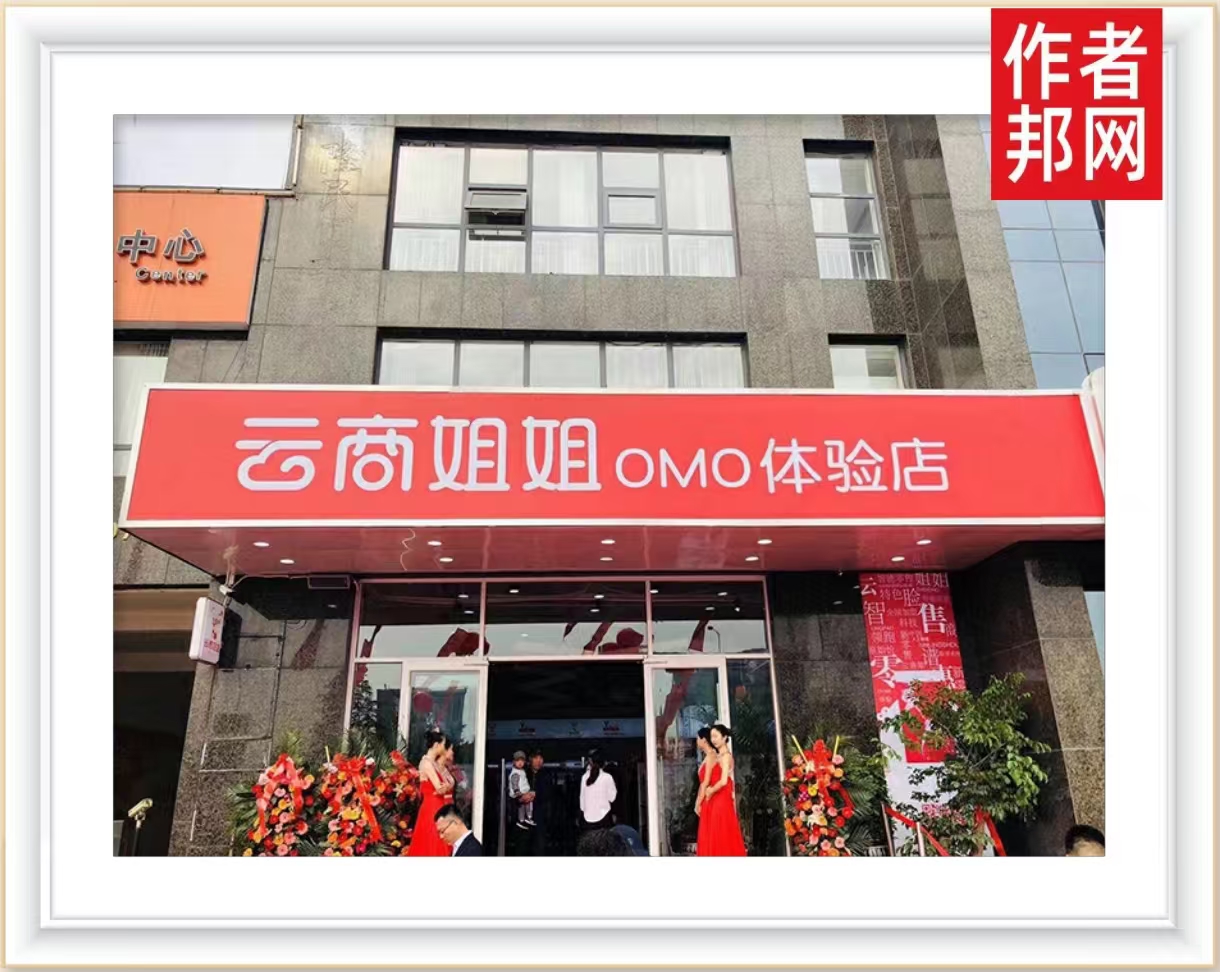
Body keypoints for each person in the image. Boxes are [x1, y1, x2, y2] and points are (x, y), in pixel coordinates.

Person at [696, 723, 747, 856]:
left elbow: (723, 781)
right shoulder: (718, 756)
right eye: (712, 736)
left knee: (721, 834)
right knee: (717, 835)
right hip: (715, 799)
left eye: (716, 736)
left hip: (720, 799)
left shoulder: (725, 756)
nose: (713, 740)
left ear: (724, 738)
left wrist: (711, 790)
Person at [407, 729, 456, 857]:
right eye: (443, 744)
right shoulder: (426, 763)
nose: (444, 747)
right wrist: (447, 786)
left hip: (438, 806)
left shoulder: (434, 764)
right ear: (436, 745)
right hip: (432, 808)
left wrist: (447, 786)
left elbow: (447, 784)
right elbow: (439, 788)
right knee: (432, 842)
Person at [578, 749, 617, 831]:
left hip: (587, 819)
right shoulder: (607, 777)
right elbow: (612, 798)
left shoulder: (584, 777)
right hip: (604, 818)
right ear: (604, 763)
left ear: (590, 762)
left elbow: (582, 801)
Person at [692, 726, 716, 849]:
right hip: (707, 800)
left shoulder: (711, 756)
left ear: (704, 740)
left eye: (698, 738)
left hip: (710, 800)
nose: (696, 741)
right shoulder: (708, 756)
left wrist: (698, 802)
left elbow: (705, 782)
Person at [526, 749, 552, 855]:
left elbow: (548, 795)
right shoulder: (524, 774)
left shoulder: (546, 775)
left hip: (540, 815)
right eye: (536, 758)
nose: (538, 761)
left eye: (541, 758)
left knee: (540, 845)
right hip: (525, 816)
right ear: (530, 760)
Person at [507, 750, 534, 830]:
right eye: (517, 761)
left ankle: (525, 819)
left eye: (522, 761)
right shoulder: (515, 773)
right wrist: (517, 792)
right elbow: (514, 783)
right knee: (524, 805)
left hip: (523, 792)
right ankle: (522, 819)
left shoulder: (521, 771)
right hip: (518, 794)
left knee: (525, 805)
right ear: (514, 762)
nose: (520, 763)